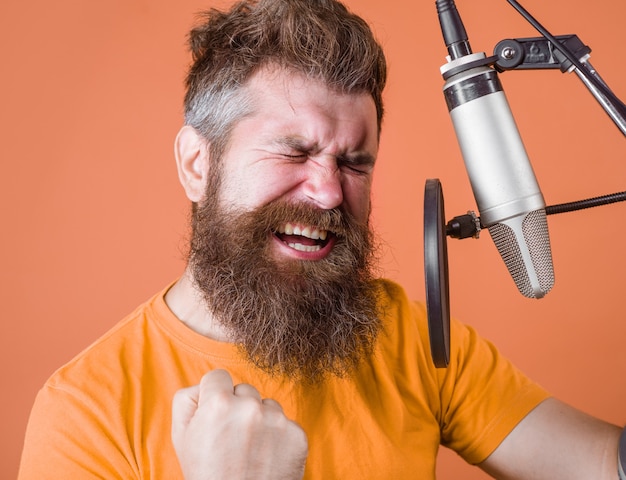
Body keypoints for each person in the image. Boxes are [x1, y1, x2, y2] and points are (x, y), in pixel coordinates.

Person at [18, 0, 623, 478]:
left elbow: (600, 464)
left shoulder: (408, 338)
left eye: (355, 162)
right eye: (294, 151)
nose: (331, 193)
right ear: (197, 164)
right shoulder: (85, 412)